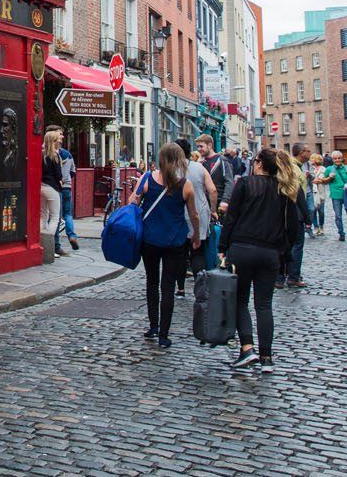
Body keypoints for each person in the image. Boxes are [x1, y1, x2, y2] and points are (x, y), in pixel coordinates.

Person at [220, 149, 305, 372]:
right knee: (264, 305)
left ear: (258, 164)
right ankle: (266, 357)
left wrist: (222, 247)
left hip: (242, 249)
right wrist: (283, 252)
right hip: (269, 254)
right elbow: (293, 226)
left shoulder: (246, 184)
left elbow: (231, 219)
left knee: (240, 301)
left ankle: (247, 349)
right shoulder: (283, 189)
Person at [129, 142, 201, 348]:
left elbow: (132, 203)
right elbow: (193, 214)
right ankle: (164, 334)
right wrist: (196, 234)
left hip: (149, 239)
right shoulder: (185, 185)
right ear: (180, 160)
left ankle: (153, 326)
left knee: (151, 282)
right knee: (168, 286)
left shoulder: (147, 179)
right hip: (175, 241)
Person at [177, 146, 217, 297]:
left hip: (179, 214)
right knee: (197, 252)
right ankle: (199, 290)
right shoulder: (199, 167)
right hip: (199, 212)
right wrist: (213, 209)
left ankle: (180, 289)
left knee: (180, 254)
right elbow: (212, 190)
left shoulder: (172, 169)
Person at [276, 143, 311, 289]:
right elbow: (299, 194)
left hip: (283, 212)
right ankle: (293, 276)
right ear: (301, 153)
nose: (310, 153)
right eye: (308, 151)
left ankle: (279, 277)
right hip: (294, 213)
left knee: (283, 245)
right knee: (296, 245)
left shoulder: (291, 168)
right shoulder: (294, 169)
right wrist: (307, 217)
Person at [40, 127, 65, 258]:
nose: (59, 142)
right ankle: (48, 247)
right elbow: (58, 175)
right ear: (53, 141)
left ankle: (40, 243)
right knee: (55, 217)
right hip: (52, 188)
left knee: (42, 216)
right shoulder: (55, 156)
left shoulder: (41, 155)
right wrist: (61, 181)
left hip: (41, 187)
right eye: (57, 140)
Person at [324, 150, 347, 242]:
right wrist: (329, 177)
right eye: (335, 158)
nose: (337, 160)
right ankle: (341, 233)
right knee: (338, 216)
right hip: (336, 194)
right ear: (332, 159)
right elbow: (324, 181)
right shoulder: (329, 169)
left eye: (339, 158)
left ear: (342, 159)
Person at [56, 143, 79, 252]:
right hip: (67, 187)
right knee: (68, 214)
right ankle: (72, 236)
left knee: (57, 216)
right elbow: (73, 171)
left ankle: (56, 243)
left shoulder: (52, 154)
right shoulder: (68, 155)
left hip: (57, 186)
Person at [308, 154, 328, 236]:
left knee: (321, 211)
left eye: (312, 158)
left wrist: (320, 180)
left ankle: (321, 226)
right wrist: (314, 180)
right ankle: (316, 227)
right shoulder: (309, 169)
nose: (311, 160)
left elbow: (326, 180)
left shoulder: (323, 169)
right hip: (312, 192)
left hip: (321, 192)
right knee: (313, 211)